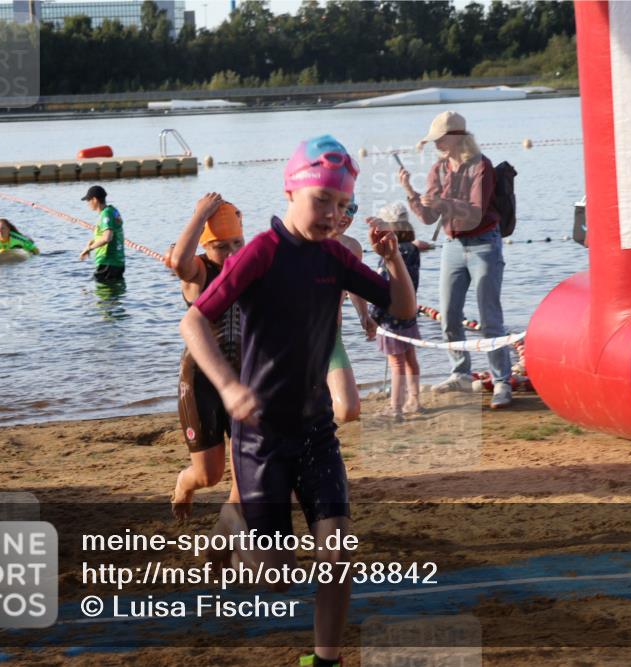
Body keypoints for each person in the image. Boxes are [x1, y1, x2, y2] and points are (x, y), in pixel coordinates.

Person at [180, 135, 416, 667]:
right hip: (260, 438)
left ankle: (325, 660)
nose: (333, 214)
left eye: (342, 204)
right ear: (290, 191)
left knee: (338, 554)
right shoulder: (260, 253)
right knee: (274, 577)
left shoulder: (334, 256)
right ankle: (234, 526)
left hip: (315, 432)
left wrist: (393, 260)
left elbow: (402, 307)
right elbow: (193, 323)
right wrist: (229, 386)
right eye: (322, 200)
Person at [399, 110, 513, 409]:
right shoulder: (438, 169)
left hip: (484, 244)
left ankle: (502, 381)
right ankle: (460, 373)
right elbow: (428, 217)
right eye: (434, 139)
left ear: (457, 137)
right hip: (452, 245)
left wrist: (442, 202)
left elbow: (475, 212)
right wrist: (411, 192)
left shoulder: (481, 166)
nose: (436, 143)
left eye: (440, 138)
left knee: (490, 318)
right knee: (449, 315)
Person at [165, 193, 245, 521]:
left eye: (237, 243)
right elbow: (179, 263)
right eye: (221, 246)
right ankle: (184, 485)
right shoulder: (199, 273)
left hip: (242, 382)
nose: (231, 253)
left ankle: (235, 524)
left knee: (245, 470)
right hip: (201, 383)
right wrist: (199, 216)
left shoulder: (250, 267)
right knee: (208, 474)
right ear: (206, 246)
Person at [369, 203, 422, 421]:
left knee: (396, 363)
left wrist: (373, 316)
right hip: (409, 314)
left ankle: (396, 406)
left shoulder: (390, 254)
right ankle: (415, 399)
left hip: (390, 318)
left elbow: (382, 284)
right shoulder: (412, 249)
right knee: (410, 358)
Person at [328, 195, 378, 423]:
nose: (346, 216)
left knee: (348, 410)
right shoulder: (298, 243)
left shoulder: (351, 247)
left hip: (331, 338)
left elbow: (354, 285)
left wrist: (364, 315)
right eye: (341, 208)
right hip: (295, 341)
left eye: (352, 210)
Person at [79, 185, 125, 282]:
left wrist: (88, 248)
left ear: (95, 199)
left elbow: (107, 238)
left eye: (88, 200)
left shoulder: (106, 214)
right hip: (117, 262)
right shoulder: (113, 210)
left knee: (98, 289)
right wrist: (93, 241)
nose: (88, 204)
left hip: (107, 263)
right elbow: (110, 233)